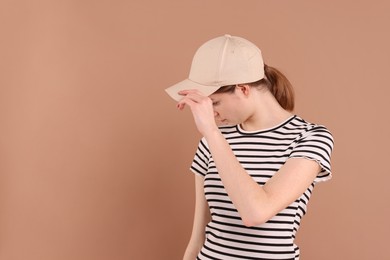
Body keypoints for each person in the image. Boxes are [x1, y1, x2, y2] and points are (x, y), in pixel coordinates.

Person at [165, 34, 334, 260]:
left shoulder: (310, 137)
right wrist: (213, 136)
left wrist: (213, 134)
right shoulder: (211, 140)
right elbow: (198, 238)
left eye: (214, 102)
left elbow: (256, 213)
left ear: (243, 89)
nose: (210, 114)